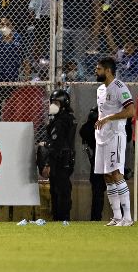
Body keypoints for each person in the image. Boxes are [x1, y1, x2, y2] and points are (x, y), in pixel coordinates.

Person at [94, 56, 135, 226]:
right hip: (101, 137)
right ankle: (117, 216)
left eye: (99, 69)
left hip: (115, 136)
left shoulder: (120, 87)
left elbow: (131, 111)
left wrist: (109, 118)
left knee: (116, 173)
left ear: (108, 71)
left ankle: (128, 217)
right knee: (107, 175)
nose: (96, 72)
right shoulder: (99, 90)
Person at [40, 89, 76, 222]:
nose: (53, 105)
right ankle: (59, 218)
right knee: (56, 190)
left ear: (64, 104)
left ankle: (62, 219)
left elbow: (56, 144)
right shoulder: (65, 118)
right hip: (63, 159)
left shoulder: (61, 121)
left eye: (56, 102)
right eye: (52, 102)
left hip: (60, 160)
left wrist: (48, 163)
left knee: (61, 192)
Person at [79, 105, 106, 221]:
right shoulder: (92, 128)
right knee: (97, 191)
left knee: (115, 188)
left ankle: (120, 216)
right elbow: (83, 131)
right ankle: (96, 218)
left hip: (111, 157)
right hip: (98, 158)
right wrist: (93, 120)